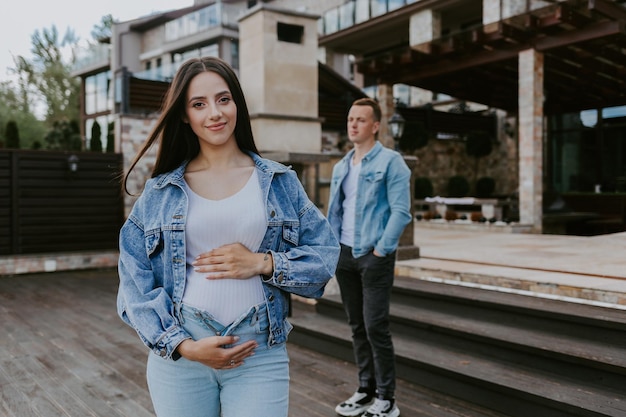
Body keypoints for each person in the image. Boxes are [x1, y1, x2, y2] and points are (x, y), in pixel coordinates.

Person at [116, 56, 340, 417]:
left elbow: (325, 254)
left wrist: (263, 262)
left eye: (223, 99)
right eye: (198, 104)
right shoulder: (160, 192)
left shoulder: (279, 182)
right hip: (183, 356)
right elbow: (133, 281)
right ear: (185, 116)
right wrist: (184, 346)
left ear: (237, 103)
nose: (215, 113)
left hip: (258, 351)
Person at [327, 97, 412, 417]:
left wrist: (381, 250)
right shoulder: (341, 166)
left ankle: (386, 397)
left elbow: (401, 212)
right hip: (345, 255)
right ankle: (365, 389)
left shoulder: (391, 162)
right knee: (356, 325)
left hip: (374, 256)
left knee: (376, 326)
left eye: (361, 120)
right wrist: (332, 246)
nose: (353, 124)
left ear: (375, 126)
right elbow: (335, 211)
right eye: (351, 119)